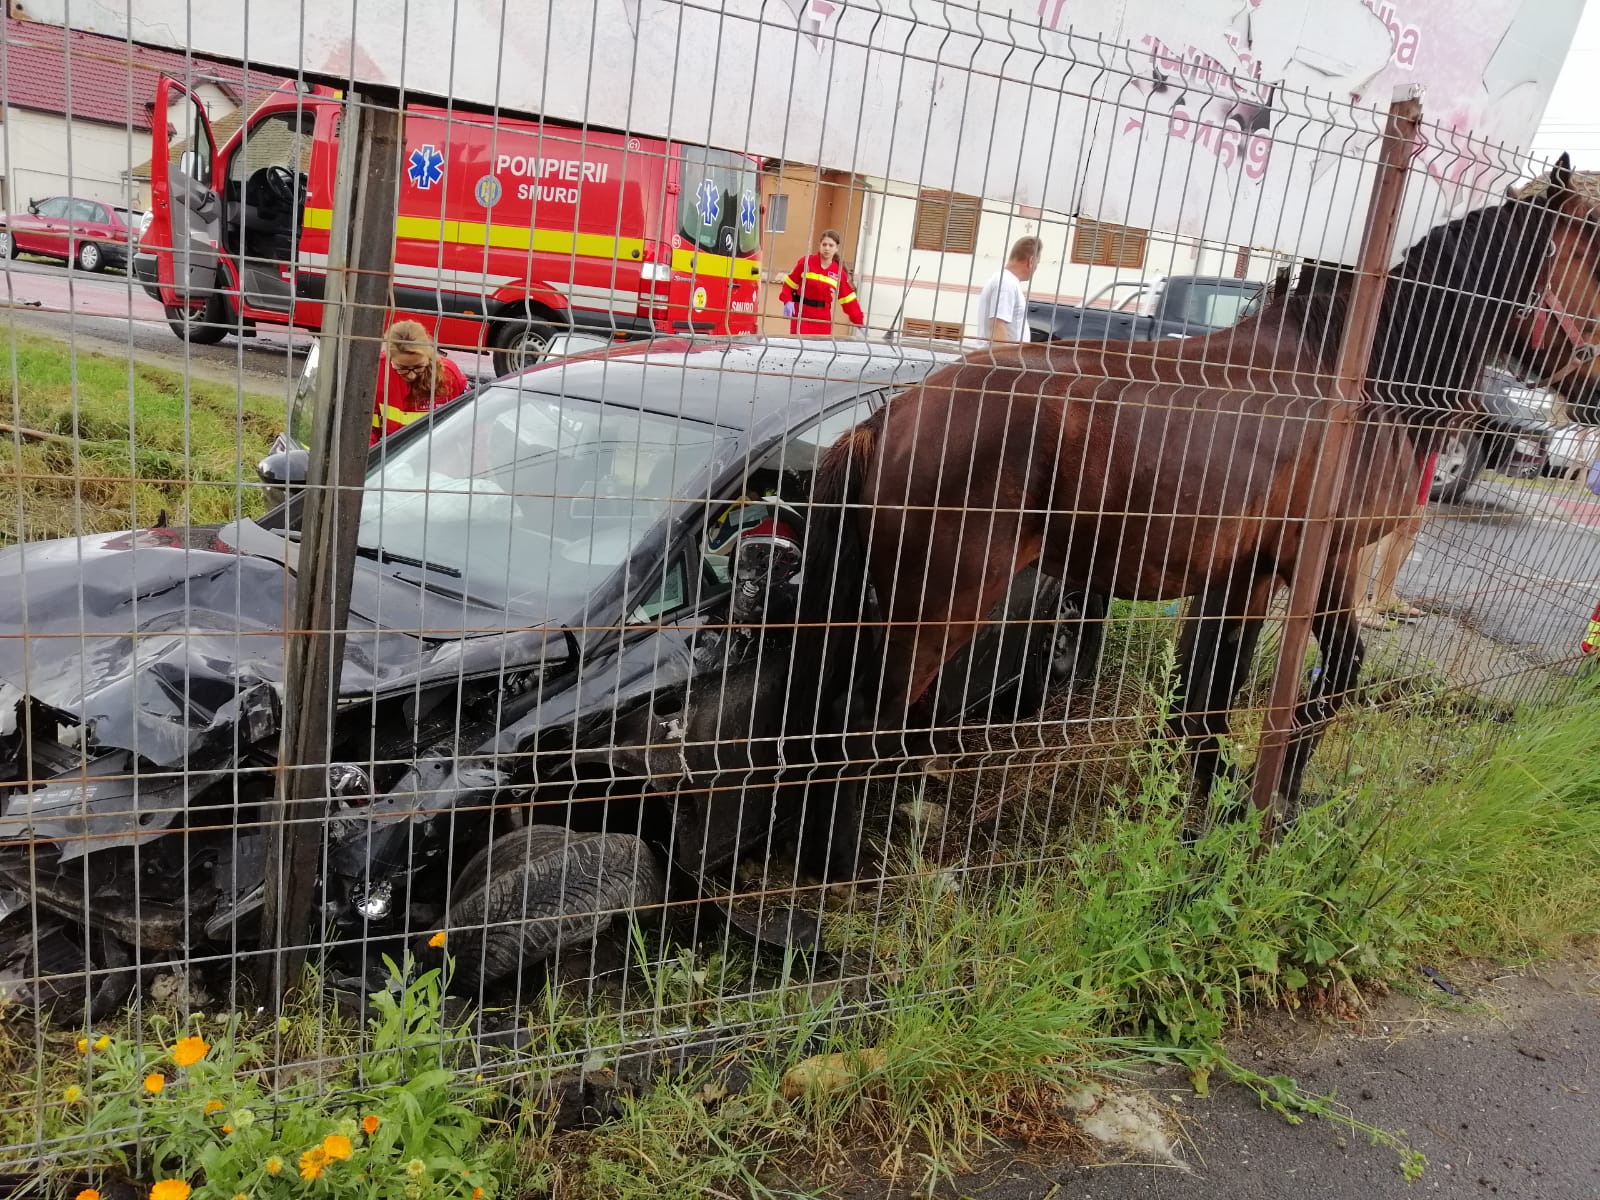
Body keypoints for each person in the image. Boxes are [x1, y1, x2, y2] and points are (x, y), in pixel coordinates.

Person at [1354, 450, 1440, 630]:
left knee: (1412, 519)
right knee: (1373, 515)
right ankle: (1357, 602)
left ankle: (1385, 595)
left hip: (1427, 437)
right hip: (1392, 435)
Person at [372, 318, 470, 444]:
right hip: (393, 455)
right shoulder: (378, 372)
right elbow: (368, 428)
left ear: (428, 356)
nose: (411, 375)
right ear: (390, 358)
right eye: (402, 368)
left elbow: (471, 423)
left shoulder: (449, 375)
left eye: (418, 367)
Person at [779, 229, 866, 336]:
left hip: (823, 319)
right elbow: (788, 284)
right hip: (802, 315)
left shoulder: (838, 272)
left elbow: (848, 300)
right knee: (800, 348)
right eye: (824, 244)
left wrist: (859, 322)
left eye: (831, 245)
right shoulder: (806, 263)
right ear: (820, 245)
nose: (827, 248)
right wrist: (787, 300)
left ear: (836, 248)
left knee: (820, 350)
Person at [974, 235, 1042, 347]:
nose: (1036, 268)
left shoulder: (1006, 281)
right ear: (1031, 261)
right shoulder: (1007, 283)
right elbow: (997, 326)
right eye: (1037, 263)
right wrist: (1007, 363)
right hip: (999, 362)